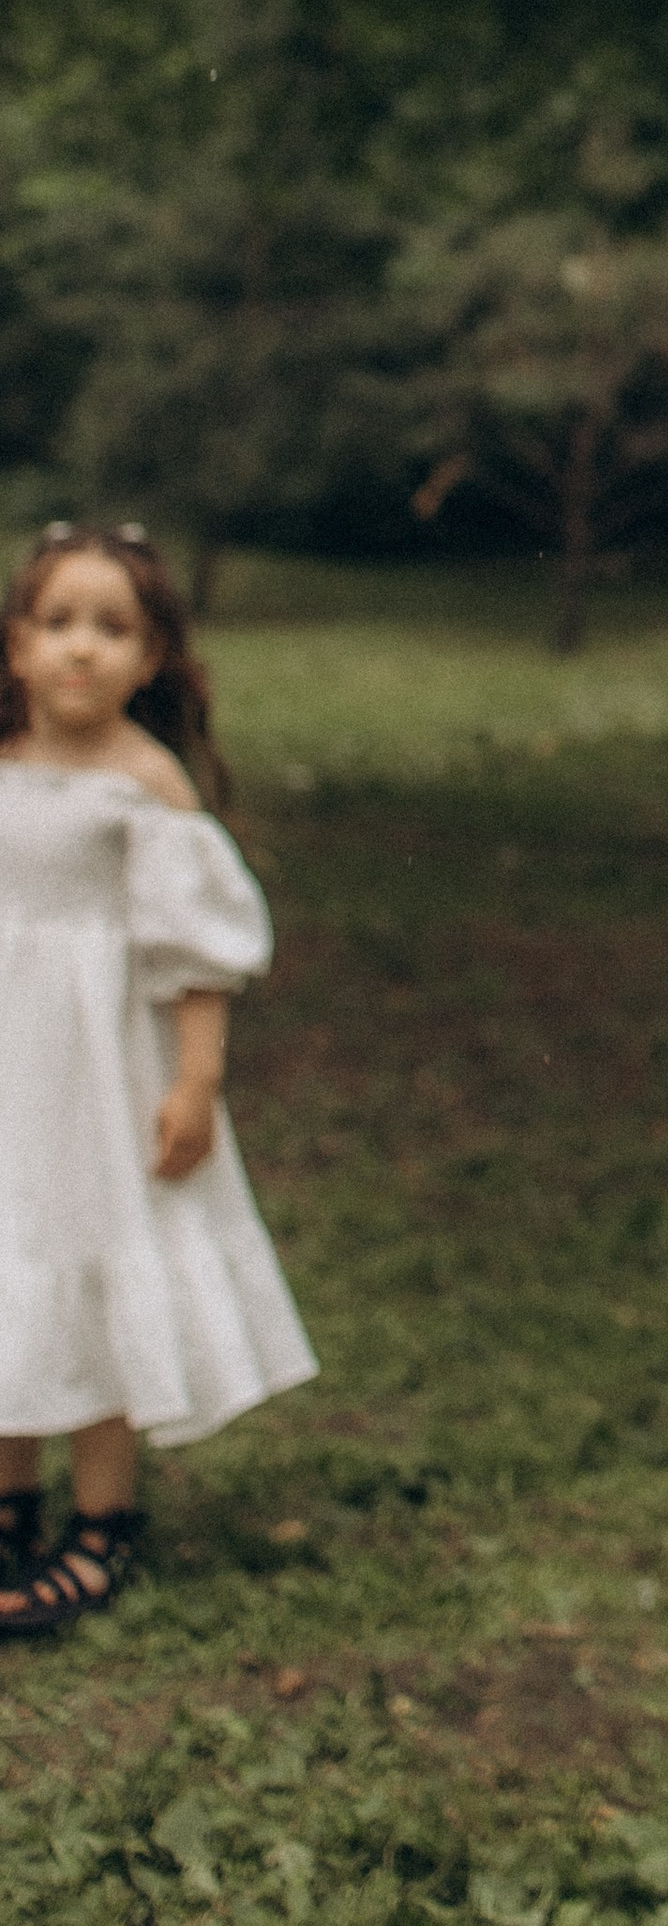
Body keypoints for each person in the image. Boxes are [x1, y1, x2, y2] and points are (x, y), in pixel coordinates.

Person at [0, 523, 315, 1639]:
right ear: (17, 644)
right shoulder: (5, 761)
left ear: (152, 659)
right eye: (58, 622)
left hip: (98, 1073)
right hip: (10, 1063)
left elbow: (195, 951)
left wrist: (197, 1081)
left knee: (92, 1260)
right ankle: (8, 1501)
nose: (81, 647)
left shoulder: (146, 783)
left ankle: (102, 1520)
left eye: (112, 627)